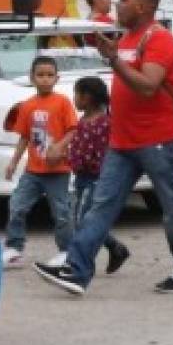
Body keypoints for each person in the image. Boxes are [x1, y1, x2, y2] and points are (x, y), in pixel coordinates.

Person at [34, 0, 173, 297]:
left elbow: (149, 85)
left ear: (142, 6)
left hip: (157, 140)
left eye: (123, 0)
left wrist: (114, 60)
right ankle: (76, 270)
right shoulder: (127, 37)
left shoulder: (158, 38)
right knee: (101, 207)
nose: (117, 5)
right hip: (122, 141)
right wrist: (114, 56)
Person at [2, 56, 79, 269]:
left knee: (61, 213)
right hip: (33, 171)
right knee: (17, 205)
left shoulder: (63, 102)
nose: (45, 79)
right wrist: (14, 162)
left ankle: (66, 251)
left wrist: (60, 147)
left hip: (58, 170)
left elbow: (73, 130)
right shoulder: (27, 106)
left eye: (50, 75)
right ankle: (14, 248)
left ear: (57, 78)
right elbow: (25, 137)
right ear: (32, 78)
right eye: (40, 75)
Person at [68, 76, 130, 275]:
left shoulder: (103, 123)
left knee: (82, 221)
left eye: (76, 94)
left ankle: (79, 263)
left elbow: (99, 153)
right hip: (81, 177)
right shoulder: (84, 120)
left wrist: (79, 162)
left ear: (86, 97)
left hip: (94, 178)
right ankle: (114, 248)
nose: (74, 99)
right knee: (86, 219)